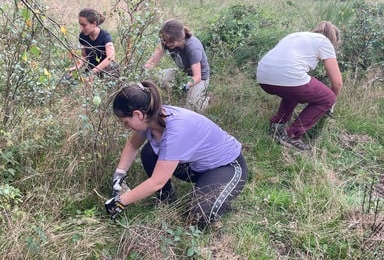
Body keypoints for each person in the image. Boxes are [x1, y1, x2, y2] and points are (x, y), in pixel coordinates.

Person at [104, 80, 248, 227]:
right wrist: (120, 173)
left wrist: (120, 202)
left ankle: (217, 191)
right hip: (195, 166)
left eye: (125, 122)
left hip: (226, 166)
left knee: (200, 218)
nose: (125, 126)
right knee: (149, 152)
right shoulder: (151, 117)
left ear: (138, 114)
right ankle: (166, 199)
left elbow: (157, 182)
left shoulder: (176, 131)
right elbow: (132, 145)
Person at [256, 21, 343, 150]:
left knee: (295, 88)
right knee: (328, 97)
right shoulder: (325, 42)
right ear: (333, 39)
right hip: (287, 76)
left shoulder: (295, 36)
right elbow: (337, 83)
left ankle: (277, 127)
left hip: (263, 76)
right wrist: (331, 103)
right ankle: (293, 136)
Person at [144, 19, 210, 112]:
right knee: (153, 77)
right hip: (182, 74)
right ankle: (176, 91)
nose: (166, 44)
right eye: (164, 40)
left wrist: (185, 86)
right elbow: (152, 62)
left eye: (168, 42)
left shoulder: (193, 48)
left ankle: (204, 99)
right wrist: (143, 71)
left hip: (199, 79)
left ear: (177, 39)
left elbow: (197, 77)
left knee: (191, 108)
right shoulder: (166, 41)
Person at [68, 8, 117, 79]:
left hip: (108, 70)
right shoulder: (83, 36)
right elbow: (84, 56)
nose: (81, 28)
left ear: (94, 24)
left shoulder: (105, 36)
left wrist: (93, 71)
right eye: (80, 25)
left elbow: (111, 57)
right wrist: (76, 67)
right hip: (91, 68)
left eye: (84, 25)